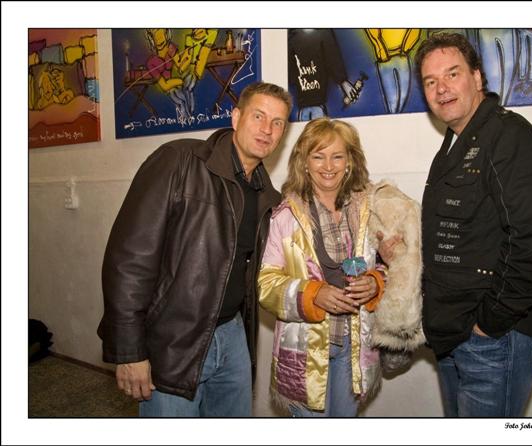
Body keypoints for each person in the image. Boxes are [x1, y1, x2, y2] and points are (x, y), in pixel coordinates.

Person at [98, 82, 292, 417]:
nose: (267, 129)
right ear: (236, 117)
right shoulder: (179, 161)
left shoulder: (268, 197)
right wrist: (129, 350)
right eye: (258, 116)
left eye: (277, 123)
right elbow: (128, 259)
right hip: (172, 340)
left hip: (233, 336)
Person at [414, 33, 532, 417]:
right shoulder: (454, 144)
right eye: (430, 81)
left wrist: (489, 324)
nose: (441, 88)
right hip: (455, 337)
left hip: (494, 340)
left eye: (452, 74)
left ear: (477, 77)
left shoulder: (510, 136)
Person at [258, 118, 390, 417]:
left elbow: (392, 266)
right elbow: (266, 284)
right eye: (318, 156)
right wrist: (313, 294)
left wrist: (375, 282)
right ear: (304, 163)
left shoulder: (372, 209)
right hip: (305, 350)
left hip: (355, 346)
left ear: (350, 162)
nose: (328, 166)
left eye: (337, 156)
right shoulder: (285, 216)